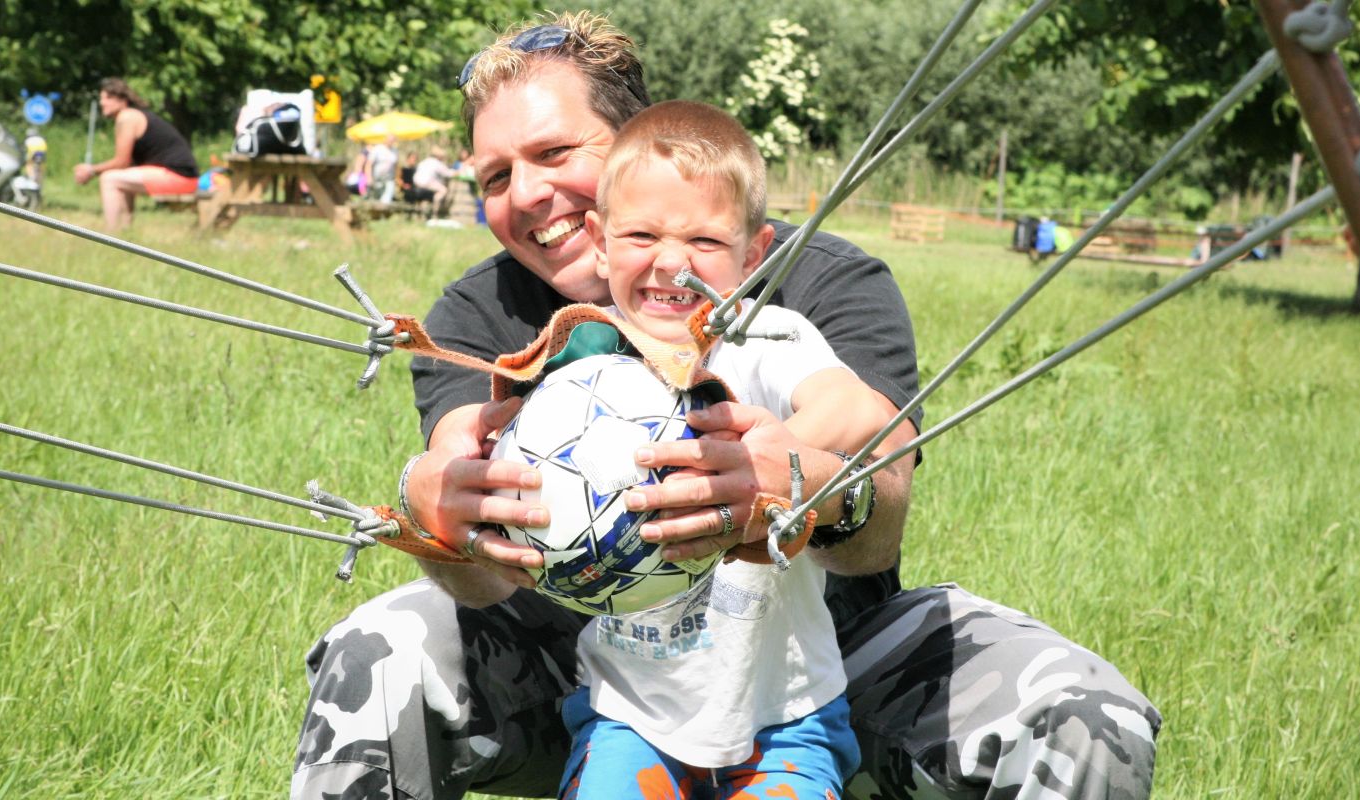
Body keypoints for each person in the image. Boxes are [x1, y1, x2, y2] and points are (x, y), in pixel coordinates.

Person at [292, 12, 1160, 800]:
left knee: (1084, 710)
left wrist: (781, 480)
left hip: (820, 663)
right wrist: (430, 501)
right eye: (493, 176)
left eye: (554, 155)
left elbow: (877, 517)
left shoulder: (814, 288)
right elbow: (469, 527)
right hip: (583, 666)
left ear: (634, 141)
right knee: (381, 648)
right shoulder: (481, 313)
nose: (523, 195)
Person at [552, 98, 895, 798]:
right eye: (641, 233)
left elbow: (855, 408)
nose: (672, 263)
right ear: (597, 237)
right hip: (628, 711)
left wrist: (765, 463)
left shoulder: (767, 336)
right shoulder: (580, 358)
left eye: (705, 243)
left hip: (787, 713)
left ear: (753, 253)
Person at [72, 78, 198, 230]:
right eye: (101, 98)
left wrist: (91, 170)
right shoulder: (133, 115)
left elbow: (121, 162)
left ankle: (110, 236)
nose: (102, 102)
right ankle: (125, 233)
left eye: (108, 98)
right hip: (183, 176)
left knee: (109, 179)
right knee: (121, 177)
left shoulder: (127, 117)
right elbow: (126, 165)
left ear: (123, 100)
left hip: (181, 177)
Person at [413, 145, 457, 217]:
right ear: (439, 156)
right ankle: (435, 209)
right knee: (443, 190)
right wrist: (458, 171)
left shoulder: (424, 161)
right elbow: (448, 173)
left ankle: (428, 207)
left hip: (417, 183)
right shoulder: (437, 163)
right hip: (426, 182)